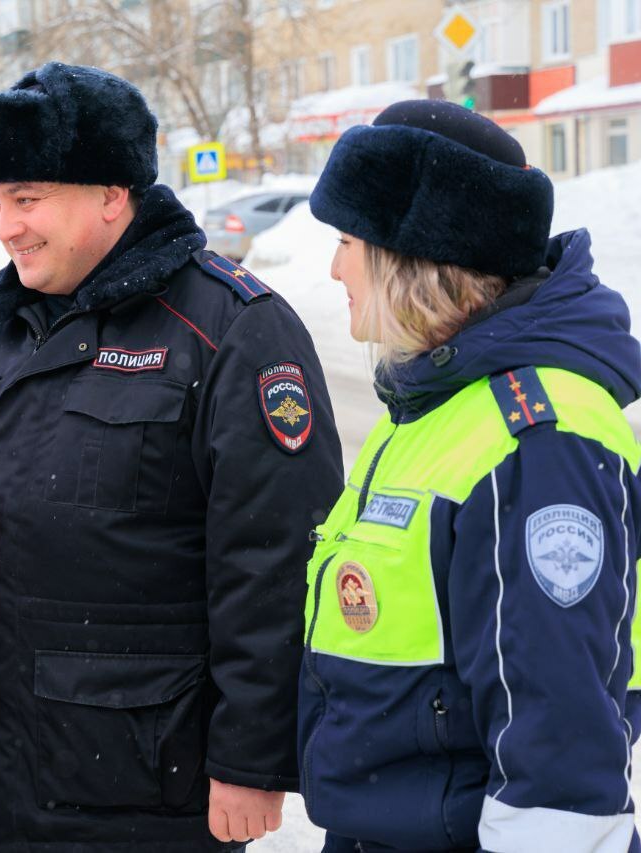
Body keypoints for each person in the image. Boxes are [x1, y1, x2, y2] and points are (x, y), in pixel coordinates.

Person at [0, 62, 343, 851]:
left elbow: (274, 557)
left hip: (148, 783)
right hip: (1, 772)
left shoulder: (231, 329)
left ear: (112, 194)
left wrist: (252, 756)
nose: (4, 227)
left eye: (26, 200)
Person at [299, 100, 641, 853]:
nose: (333, 266)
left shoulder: (537, 438)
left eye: (348, 240)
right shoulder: (434, 401)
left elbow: (558, 747)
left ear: (414, 256)